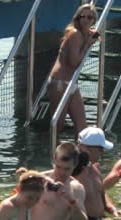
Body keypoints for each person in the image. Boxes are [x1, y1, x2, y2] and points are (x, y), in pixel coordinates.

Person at [48, 3, 99, 134]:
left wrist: (90, 38)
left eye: (90, 17)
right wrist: (87, 44)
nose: (86, 20)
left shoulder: (83, 33)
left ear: (94, 20)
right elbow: (74, 62)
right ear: (78, 18)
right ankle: (48, 151)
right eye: (83, 16)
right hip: (60, 82)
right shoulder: (75, 34)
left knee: (82, 127)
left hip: (71, 83)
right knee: (58, 126)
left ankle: (83, 153)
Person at [31, 142, 88, 220]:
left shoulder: (76, 188)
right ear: (53, 161)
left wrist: (71, 200)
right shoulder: (38, 180)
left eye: (67, 169)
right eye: (58, 166)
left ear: (75, 165)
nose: (61, 172)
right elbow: (16, 207)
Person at [73, 126, 121, 219]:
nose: (102, 152)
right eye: (100, 149)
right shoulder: (73, 173)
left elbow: (101, 193)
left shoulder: (96, 167)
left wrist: (112, 209)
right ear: (87, 149)